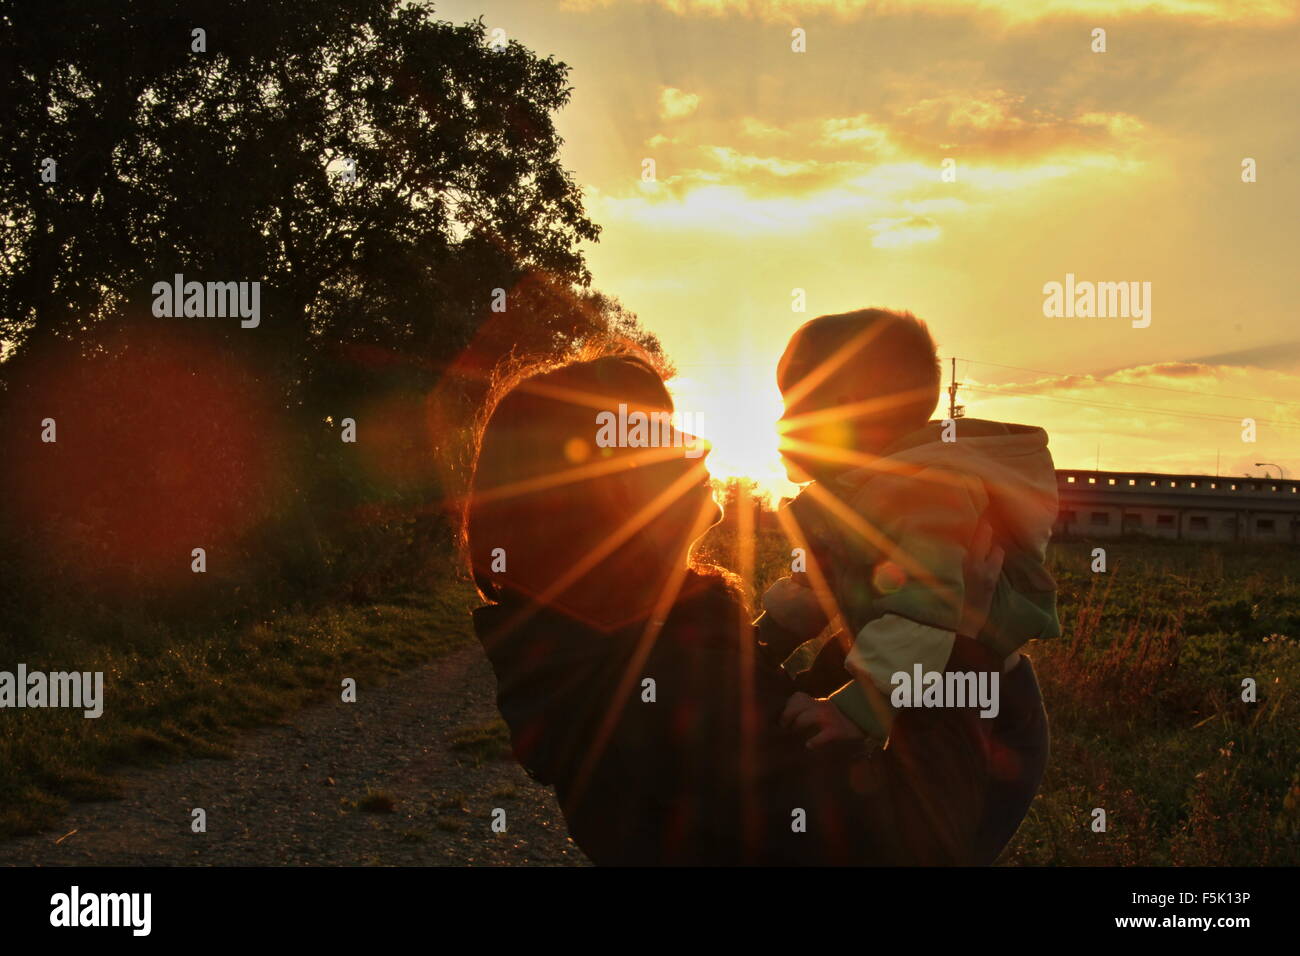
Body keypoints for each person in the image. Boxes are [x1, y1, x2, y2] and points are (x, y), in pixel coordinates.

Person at [464, 350, 1018, 865]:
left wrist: (838, 627)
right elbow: (920, 840)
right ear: (604, 494)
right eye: (659, 435)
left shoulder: (621, 655)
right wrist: (965, 641)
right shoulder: (666, 693)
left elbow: (779, 735)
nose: (697, 445)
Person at [761, 308, 1055, 862]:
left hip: (987, 704)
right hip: (911, 670)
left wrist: (852, 711)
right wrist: (765, 634)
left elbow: (925, 614)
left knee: (951, 844)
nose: (783, 420)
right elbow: (815, 588)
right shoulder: (846, 496)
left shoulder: (925, 491)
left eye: (796, 403)